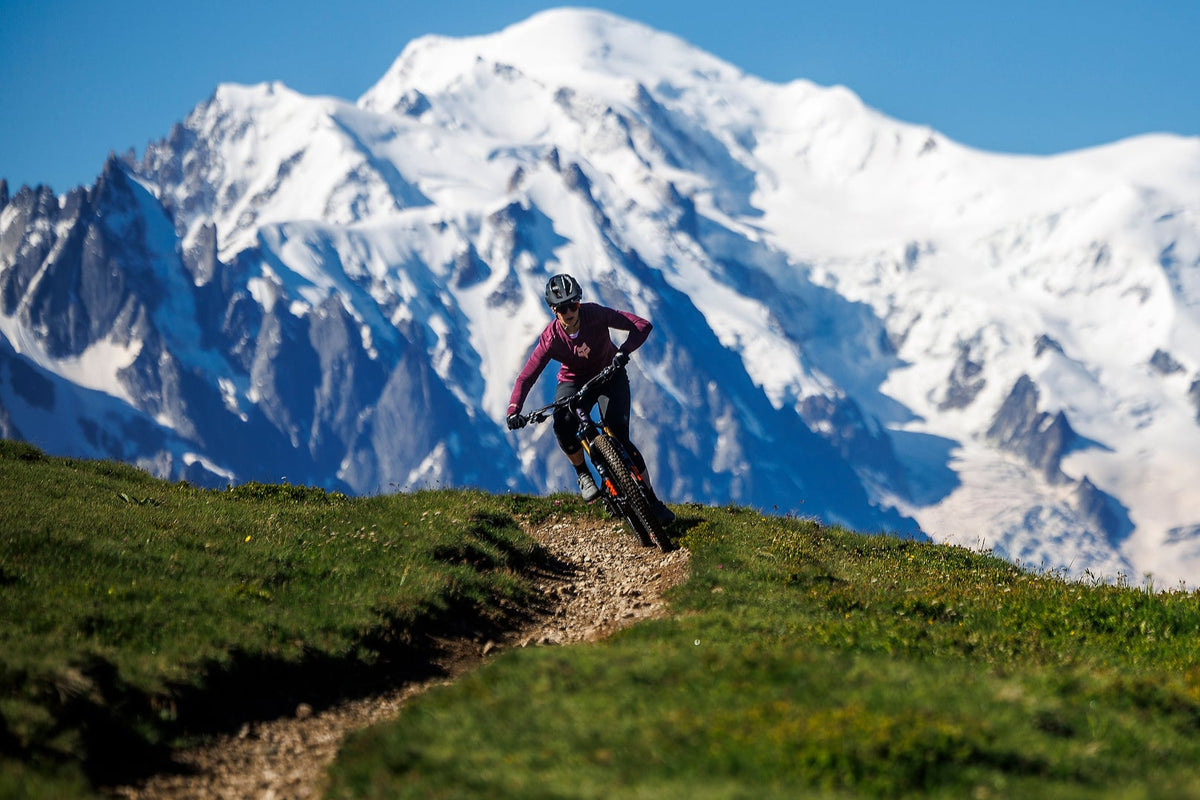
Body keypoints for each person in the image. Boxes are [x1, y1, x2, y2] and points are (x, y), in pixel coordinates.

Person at [506, 273, 674, 525]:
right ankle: (583, 473)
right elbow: (525, 378)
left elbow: (642, 325)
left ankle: (652, 501)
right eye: (562, 307)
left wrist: (622, 353)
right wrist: (513, 410)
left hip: (609, 375)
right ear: (553, 310)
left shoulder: (595, 314)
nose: (569, 311)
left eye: (573, 304)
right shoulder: (550, 339)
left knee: (619, 436)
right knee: (562, 423)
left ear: (579, 302)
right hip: (573, 383)